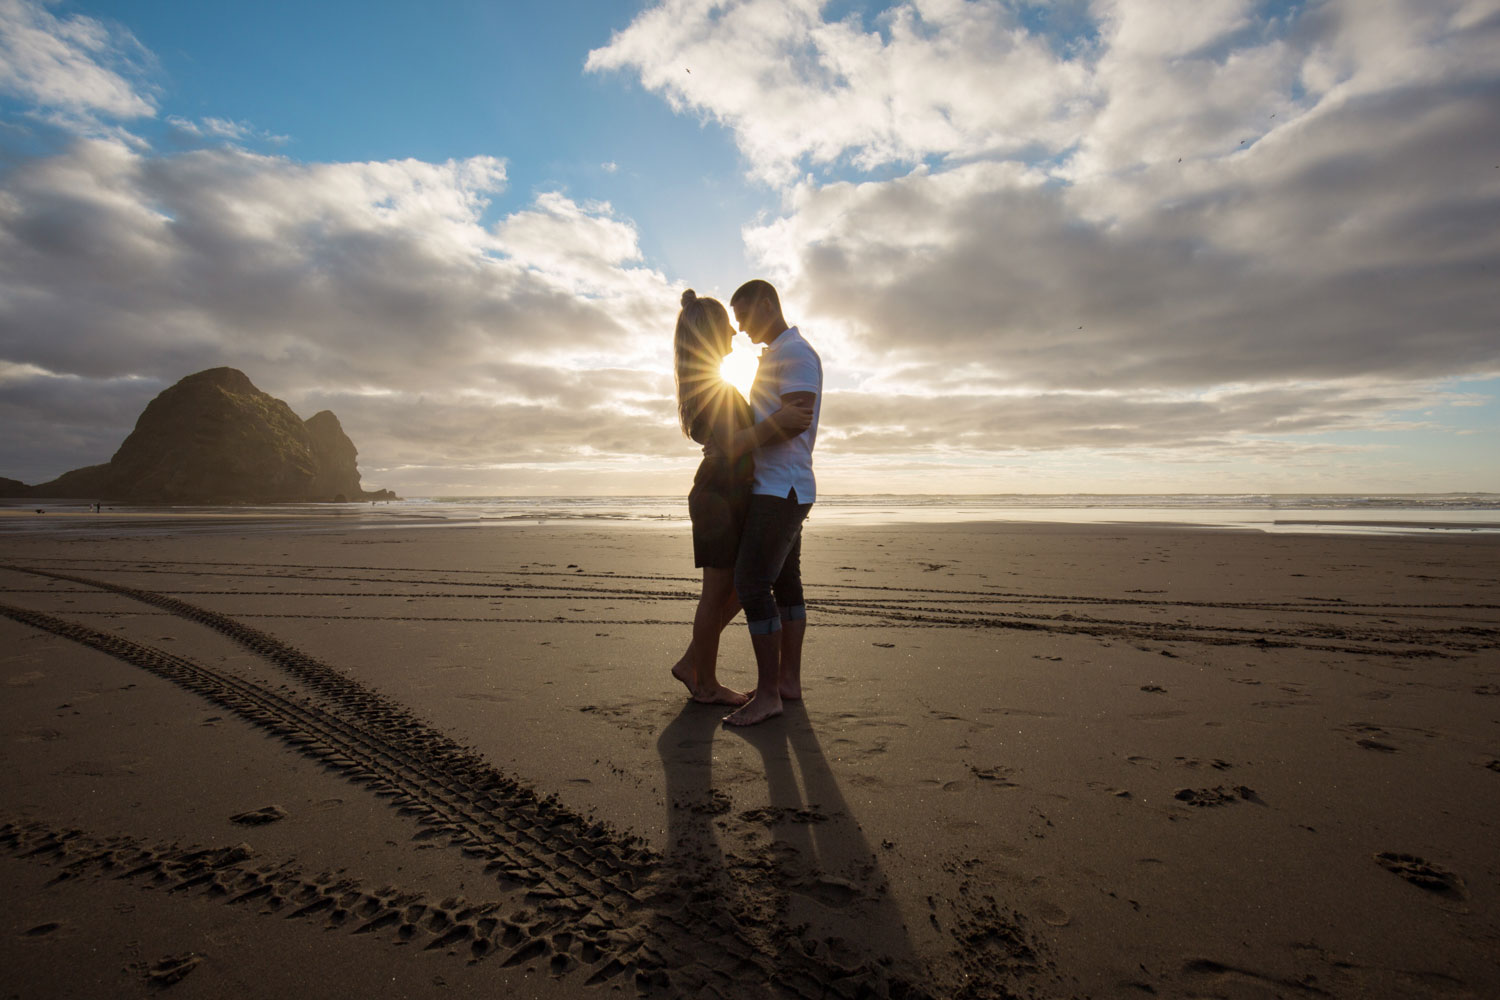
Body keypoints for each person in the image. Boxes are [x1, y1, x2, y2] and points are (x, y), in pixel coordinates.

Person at [668, 289, 812, 706]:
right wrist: (780, 420)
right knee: (716, 593)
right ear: (711, 332)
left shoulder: (709, 381)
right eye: (726, 324)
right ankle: (705, 684)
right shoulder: (711, 384)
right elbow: (733, 445)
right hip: (718, 496)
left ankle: (692, 665)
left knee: (732, 587)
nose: (736, 330)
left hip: (727, 493)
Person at [723, 279, 822, 727]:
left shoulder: (796, 353)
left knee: (751, 583)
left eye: (743, 316)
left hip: (780, 489)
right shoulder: (777, 354)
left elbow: (796, 420)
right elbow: (781, 417)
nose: (740, 328)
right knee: (786, 585)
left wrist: (743, 439)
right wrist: (769, 423)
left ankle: (767, 695)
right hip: (785, 486)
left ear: (766, 304)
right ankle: (787, 683)